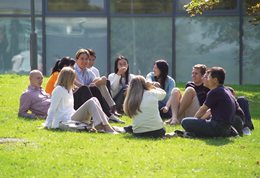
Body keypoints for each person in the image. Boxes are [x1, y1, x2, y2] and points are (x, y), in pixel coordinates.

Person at [44, 67, 118, 134]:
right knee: (91, 101)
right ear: (68, 78)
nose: (74, 80)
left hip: (71, 117)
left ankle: (105, 125)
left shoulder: (69, 90)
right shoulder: (58, 90)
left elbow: (70, 108)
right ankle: (102, 126)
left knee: (94, 99)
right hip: (63, 120)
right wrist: (48, 125)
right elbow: (52, 109)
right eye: (73, 78)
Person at [181, 67, 244, 137]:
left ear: (215, 80)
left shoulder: (214, 92)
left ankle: (195, 133)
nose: (205, 79)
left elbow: (202, 110)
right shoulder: (227, 90)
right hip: (227, 128)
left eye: (208, 77)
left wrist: (194, 121)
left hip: (217, 127)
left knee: (185, 121)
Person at [73, 48, 124, 123]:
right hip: (75, 100)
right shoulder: (72, 70)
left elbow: (97, 81)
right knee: (85, 88)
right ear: (76, 60)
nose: (85, 61)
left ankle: (109, 114)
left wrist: (95, 83)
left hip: (87, 99)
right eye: (82, 59)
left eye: (87, 59)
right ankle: (105, 112)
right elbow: (78, 86)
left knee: (94, 88)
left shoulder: (88, 72)